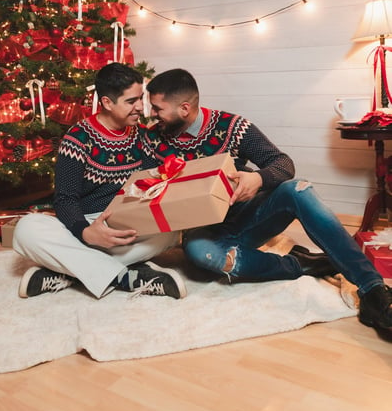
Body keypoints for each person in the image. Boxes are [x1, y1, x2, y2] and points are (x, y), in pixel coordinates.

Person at [143, 68, 392, 333]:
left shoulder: (232, 126)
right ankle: (304, 264)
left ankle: (373, 291)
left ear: (184, 108)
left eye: (157, 108)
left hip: (249, 216)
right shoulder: (153, 138)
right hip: (204, 230)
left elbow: (283, 163)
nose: (152, 114)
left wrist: (258, 179)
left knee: (298, 189)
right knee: (198, 255)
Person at [13, 62, 186, 300]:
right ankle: (127, 277)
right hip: (86, 224)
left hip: (127, 224)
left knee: (171, 231)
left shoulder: (142, 135)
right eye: (131, 101)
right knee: (26, 229)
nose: (140, 108)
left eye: (140, 99)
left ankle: (72, 272)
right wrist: (86, 233)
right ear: (106, 102)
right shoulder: (78, 139)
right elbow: (65, 199)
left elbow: (153, 182)